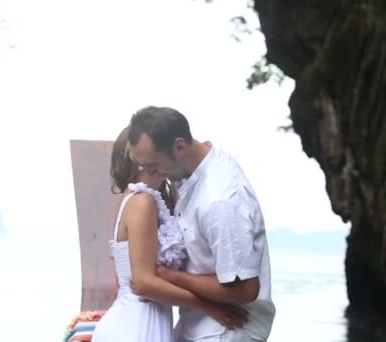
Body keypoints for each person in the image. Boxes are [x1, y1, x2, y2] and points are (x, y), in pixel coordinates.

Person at [127, 106, 276, 342]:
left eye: (154, 166)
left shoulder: (220, 200)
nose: (151, 173)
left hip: (228, 330)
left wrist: (169, 277)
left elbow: (245, 289)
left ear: (179, 146)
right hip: (197, 323)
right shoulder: (187, 168)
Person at [91, 126, 248, 342]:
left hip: (145, 317)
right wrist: (208, 306)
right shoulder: (142, 202)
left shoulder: (141, 199)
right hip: (138, 323)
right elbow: (145, 283)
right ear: (139, 158)